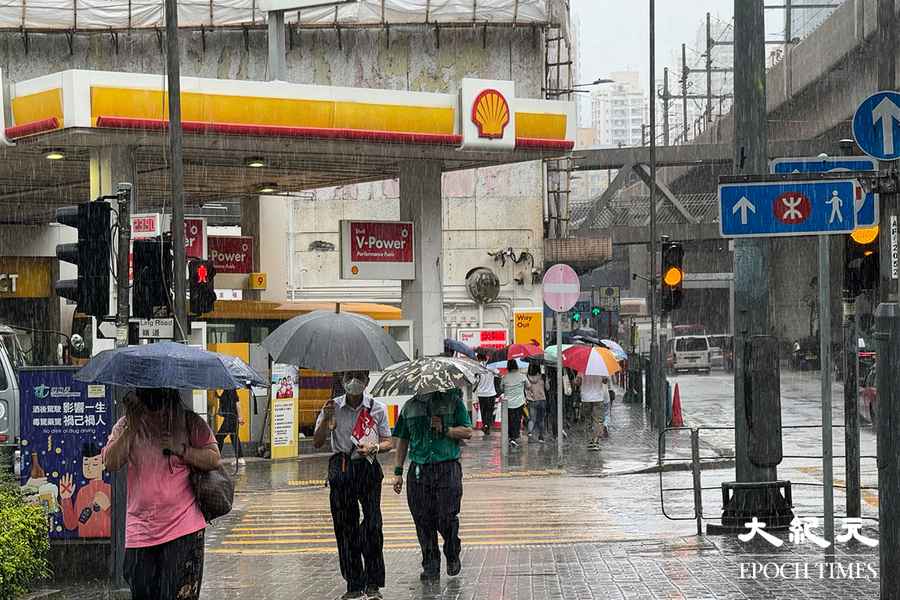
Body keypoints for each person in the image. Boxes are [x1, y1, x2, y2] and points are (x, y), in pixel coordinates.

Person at [102, 388, 221, 600]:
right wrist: (133, 427)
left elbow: (213, 458)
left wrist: (182, 450)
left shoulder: (187, 421)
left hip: (183, 529)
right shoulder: (125, 424)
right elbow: (110, 462)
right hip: (141, 532)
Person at [314, 371, 393, 600]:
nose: (354, 381)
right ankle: (354, 584)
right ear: (342, 380)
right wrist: (325, 421)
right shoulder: (332, 407)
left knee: (372, 525)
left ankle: (373, 582)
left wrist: (375, 448)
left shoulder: (376, 408)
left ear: (367, 382)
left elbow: (389, 441)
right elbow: (318, 442)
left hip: (367, 466)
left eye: (359, 377)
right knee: (345, 527)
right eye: (350, 376)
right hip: (342, 467)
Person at [392, 388, 472, 582]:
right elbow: (402, 440)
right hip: (419, 470)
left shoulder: (453, 402)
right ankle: (431, 566)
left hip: (447, 467)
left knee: (446, 516)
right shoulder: (409, 408)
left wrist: (446, 429)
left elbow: (467, 431)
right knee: (422, 520)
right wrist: (398, 472)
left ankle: (452, 551)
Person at [577, 374, 610, 451]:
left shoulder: (582, 368)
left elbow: (578, 382)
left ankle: (589, 440)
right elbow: (605, 381)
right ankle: (595, 442)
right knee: (598, 420)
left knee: (588, 419)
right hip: (598, 397)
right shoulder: (601, 367)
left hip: (586, 398)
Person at [214, 388, 244, 467]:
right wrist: (218, 396)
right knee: (234, 437)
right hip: (230, 417)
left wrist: (240, 417)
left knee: (219, 437)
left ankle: (216, 458)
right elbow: (226, 401)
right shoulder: (227, 390)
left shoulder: (231, 390)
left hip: (231, 418)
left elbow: (237, 402)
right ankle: (240, 458)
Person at [502, 360, 527, 447]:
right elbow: (529, 386)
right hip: (519, 402)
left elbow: (501, 388)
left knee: (509, 420)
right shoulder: (522, 376)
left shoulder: (505, 377)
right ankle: (514, 437)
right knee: (517, 420)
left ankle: (510, 437)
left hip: (508, 403)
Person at [474, 354, 499, 435]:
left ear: (479, 358)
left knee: (483, 410)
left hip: (481, 393)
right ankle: (487, 425)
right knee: (489, 410)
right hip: (491, 393)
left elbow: (475, 379)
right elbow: (499, 374)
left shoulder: (477, 367)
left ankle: (485, 425)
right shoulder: (491, 366)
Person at [525, 363, 547, 443]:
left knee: (532, 419)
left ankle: (530, 432)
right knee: (541, 420)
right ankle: (541, 437)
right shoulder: (542, 377)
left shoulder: (527, 377)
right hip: (541, 400)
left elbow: (526, 388)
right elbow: (547, 387)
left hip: (532, 400)